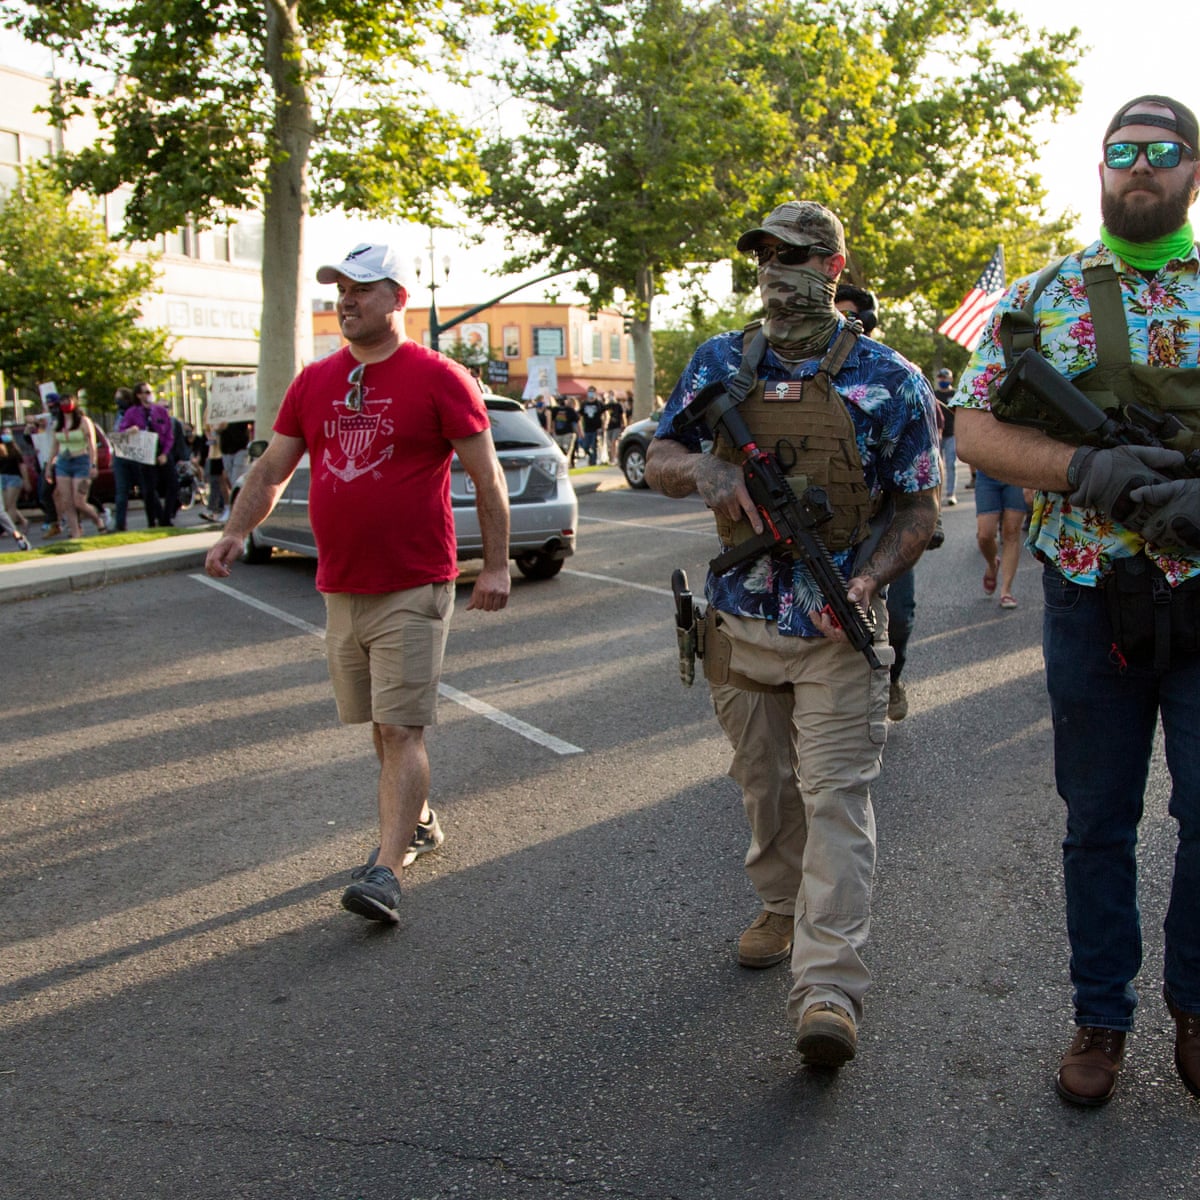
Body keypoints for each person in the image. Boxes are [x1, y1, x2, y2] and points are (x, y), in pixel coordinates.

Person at [646, 201, 940, 1068]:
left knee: (836, 799)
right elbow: (659, 455)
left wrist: (866, 577)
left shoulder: (892, 380)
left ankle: (829, 990)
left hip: (834, 629)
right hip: (739, 618)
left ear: (835, 267)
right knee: (763, 782)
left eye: (797, 255)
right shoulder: (718, 363)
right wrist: (703, 465)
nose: (776, 269)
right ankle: (780, 904)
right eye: (765, 254)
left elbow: (919, 511)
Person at [953, 95, 1200, 1106]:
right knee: (1096, 819)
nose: (1139, 167)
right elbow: (974, 430)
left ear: (1191, 170)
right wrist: (1077, 470)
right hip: (1091, 597)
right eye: (1122, 153)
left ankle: (1194, 1001)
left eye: (1162, 152)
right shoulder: (1044, 295)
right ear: (1100, 168)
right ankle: (1101, 1016)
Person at [205, 242, 511, 925]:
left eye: (362, 288)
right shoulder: (313, 382)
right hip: (340, 586)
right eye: (339, 287)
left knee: (401, 728)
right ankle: (421, 819)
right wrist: (234, 530)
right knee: (380, 726)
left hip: (414, 581)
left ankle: (387, 869)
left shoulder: (439, 378)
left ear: (398, 298)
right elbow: (273, 469)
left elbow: (486, 477)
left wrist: (494, 564)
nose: (345, 298)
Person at [834, 282, 941, 723]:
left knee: (897, 615)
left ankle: (893, 676)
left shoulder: (893, 375)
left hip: (891, 518)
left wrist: (926, 518)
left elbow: (925, 458)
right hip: (835, 527)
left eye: (847, 315)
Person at [47, 393, 107, 538]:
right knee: (67, 501)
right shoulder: (58, 423)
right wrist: (49, 466)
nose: (65, 404)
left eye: (68, 401)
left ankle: (97, 519)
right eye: (63, 402)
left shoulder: (84, 421)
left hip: (81, 461)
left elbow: (92, 444)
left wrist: (93, 464)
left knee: (79, 501)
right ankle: (75, 532)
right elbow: (54, 446)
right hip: (63, 462)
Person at [972, 467, 1029, 609]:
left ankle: (1006, 591)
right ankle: (993, 564)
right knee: (985, 535)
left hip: (1017, 473)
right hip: (987, 473)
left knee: (1011, 532)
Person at [0, 422, 30, 543]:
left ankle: (11, 529)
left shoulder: (15, 450)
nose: (6, 435)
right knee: (7, 505)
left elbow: (22, 467)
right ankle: (23, 521)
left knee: (9, 505)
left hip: (14, 478)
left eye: (8, 433)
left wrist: (26, 481)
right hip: (2, 478)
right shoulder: (2, 449)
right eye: (4, 433)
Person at [934, 369, 958, 504]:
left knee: (951, 464)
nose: (942, 380)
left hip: (952, 434)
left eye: (945, 378)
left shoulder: (955, 394)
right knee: (937, 466)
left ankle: (951, 494)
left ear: (950, 379)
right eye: (940, 378)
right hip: (937, 435)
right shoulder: (934, 395)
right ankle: (937, 496)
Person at [579, 386, 606, 466]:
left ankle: (593, 462)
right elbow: (580, 416)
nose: (590, 393)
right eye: (589, 391)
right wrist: (581, 428)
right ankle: (590, 456)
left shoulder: (599, 404)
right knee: (585, 446)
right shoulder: (584, 404)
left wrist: (603, 425)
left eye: (592, 392)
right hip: (587, 428)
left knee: (594, 446)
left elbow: (605, 414)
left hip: (596, 428)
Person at [604, 389, 626, 466]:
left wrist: (624, 425)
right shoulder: (607, 406)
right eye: (609, 394)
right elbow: (604, 415)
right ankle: (611, 458)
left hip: (617, 426)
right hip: (609, 427)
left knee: (614, 442)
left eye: (612, 394)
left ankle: (615, 458)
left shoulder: (618, 405)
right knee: (609, 443)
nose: (610, 396)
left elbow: (623, 415)